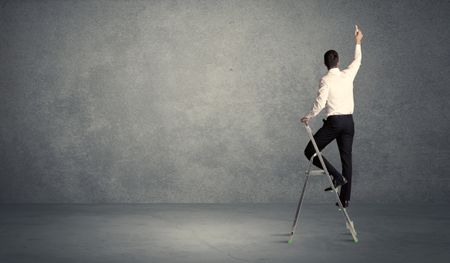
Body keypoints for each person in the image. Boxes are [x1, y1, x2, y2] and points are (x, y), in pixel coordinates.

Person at [300, 25, 363, 208]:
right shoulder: (347, 74)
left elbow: (320, 103)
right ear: (338, 61)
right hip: (349, 123)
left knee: (310, 152)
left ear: (325, 63)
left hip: (335, 123)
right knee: (347, 160)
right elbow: (357, 60)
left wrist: (308, 116)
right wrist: (358, 41)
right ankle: (345, 201)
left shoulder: (326, 79)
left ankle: (336, 176)